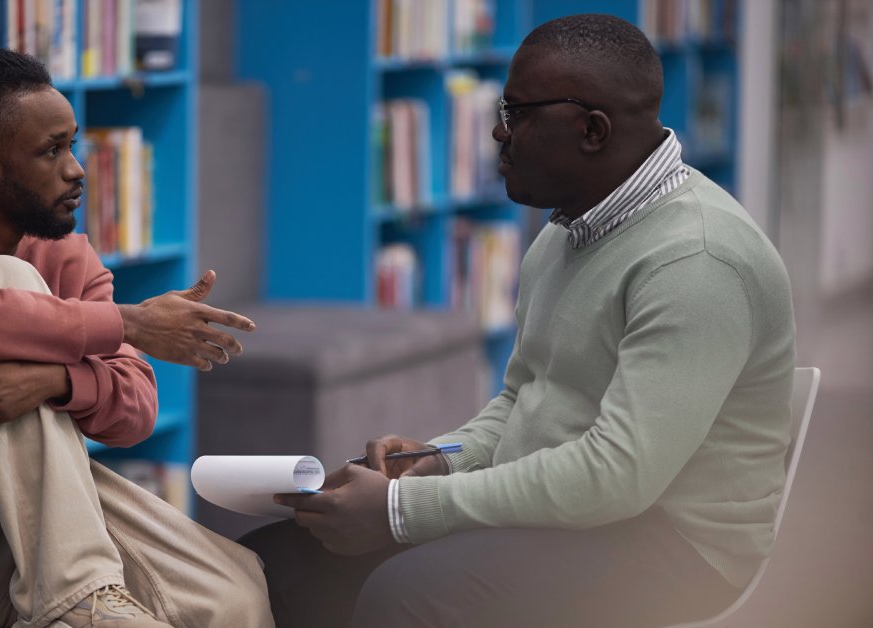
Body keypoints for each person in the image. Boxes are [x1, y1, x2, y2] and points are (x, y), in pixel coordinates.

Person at [241, 13, 796, 628]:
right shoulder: (571, 229)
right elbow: (524, 397)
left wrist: (403, 508)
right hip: (579, 508)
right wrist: (443, 458)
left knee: (408, 592)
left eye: (518, 111)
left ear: (592, 130)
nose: (499, 132)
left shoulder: (697, 260)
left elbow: (619, 477)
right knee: (280, 562)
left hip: (677, 544)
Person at [0, 46, 273, 628]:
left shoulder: (66, 253)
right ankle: (78, 603)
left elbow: (136, 409)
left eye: (72, 144)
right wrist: (129, 322)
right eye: (51, 151)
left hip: (34, 531)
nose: (76, 168)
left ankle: (81, 595)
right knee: (3, 279)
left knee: (234, 590)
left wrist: (56, 380)